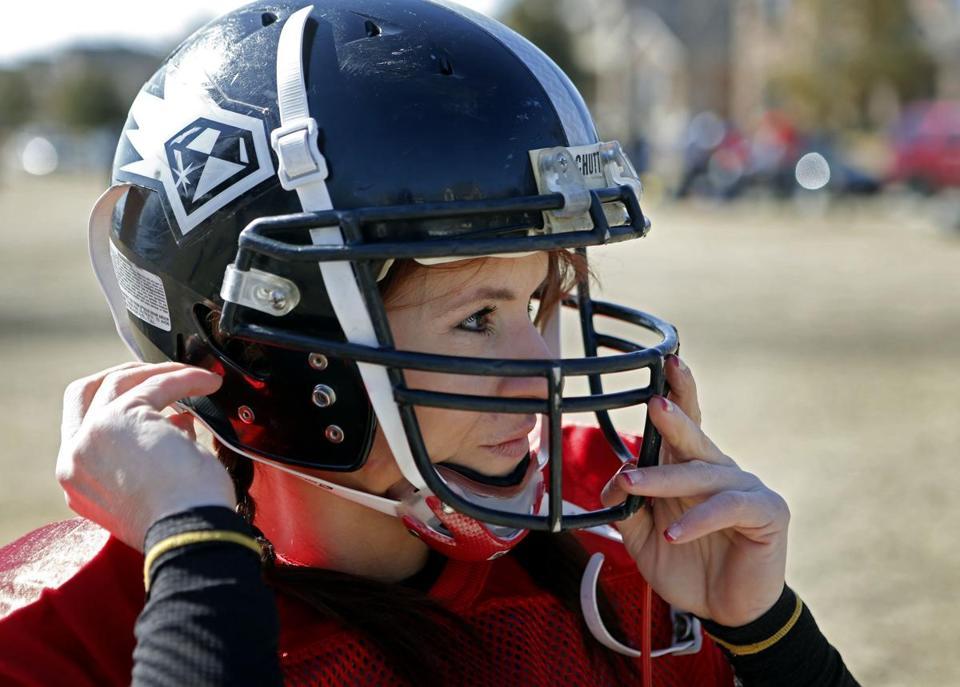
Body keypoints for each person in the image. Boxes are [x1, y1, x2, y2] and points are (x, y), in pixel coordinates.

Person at [0, 1, 858, 685]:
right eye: (477, 319)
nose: (542, 379)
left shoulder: (621, 539)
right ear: (279, 347)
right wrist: (198, 562)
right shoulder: (67, 631)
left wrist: (768, 638)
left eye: (535, 302)